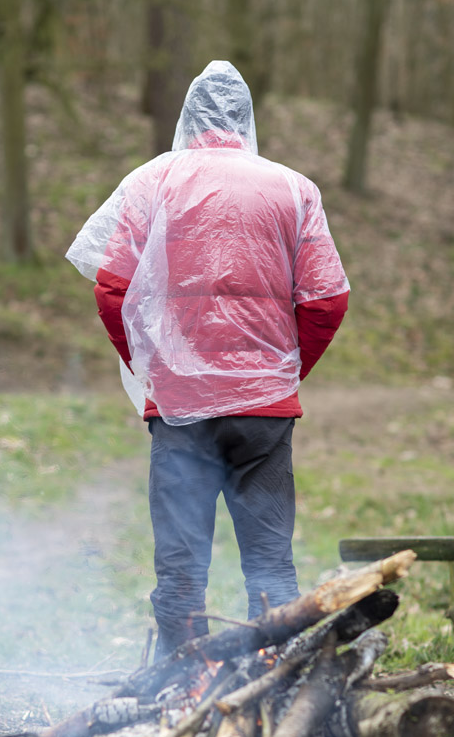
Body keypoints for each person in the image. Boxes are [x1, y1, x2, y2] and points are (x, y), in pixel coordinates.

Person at [65, 61, 350, 660]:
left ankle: (178, 683)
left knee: (180, 567)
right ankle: (272, 678)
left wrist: (151, 368)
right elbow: (327, 298)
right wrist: (283, 370)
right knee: (270, 562)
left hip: (179, 411)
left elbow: (112, 287)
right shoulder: (294, 189)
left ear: (187, 116)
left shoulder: (151, 184)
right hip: (264, 414)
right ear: (248, 118)